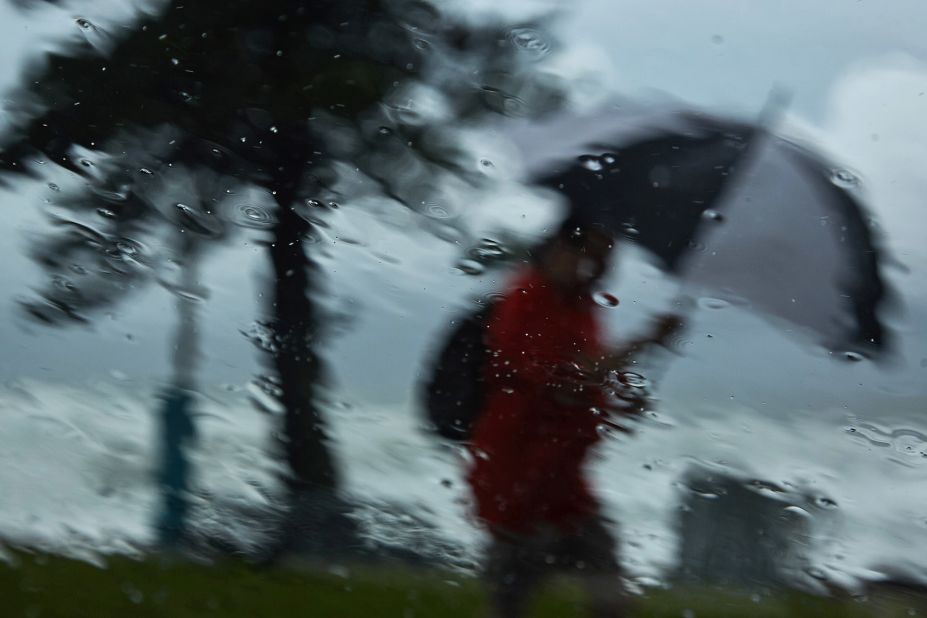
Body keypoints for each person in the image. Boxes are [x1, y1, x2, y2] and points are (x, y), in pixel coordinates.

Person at [467, 215, 682, 618]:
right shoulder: (528, 296)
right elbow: (567, 378)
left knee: (609, 595)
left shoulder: (580, 305)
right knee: (510, 601)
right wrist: (646, 341)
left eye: (608, 258)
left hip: (563, 481)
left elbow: (586, 382)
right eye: (593, 256)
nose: (600, 268)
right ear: (562, 249)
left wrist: (620, 401)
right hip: (518, 480)